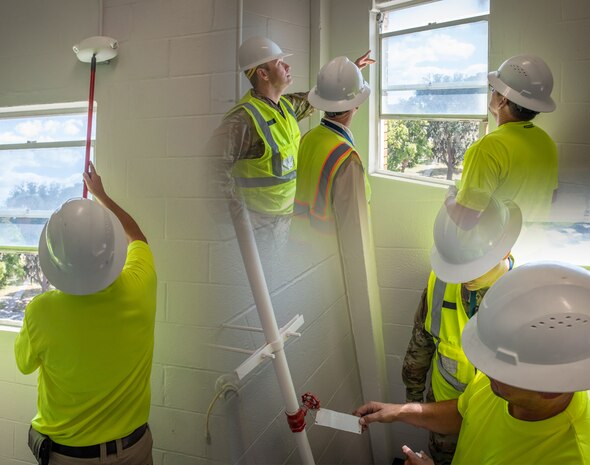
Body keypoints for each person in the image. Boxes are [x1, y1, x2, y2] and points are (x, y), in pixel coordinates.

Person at [355, 261, 590, 465]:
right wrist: (400, 411)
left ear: (550, 388)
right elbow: (463, 412)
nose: (485, 371)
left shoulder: (570, 456)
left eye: (500, 369)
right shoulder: (496, 387)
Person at [14, 162, 157, 465]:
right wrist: (101, 195)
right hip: (136, 450)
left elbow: (24, 364)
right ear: (112, 250)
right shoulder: (140, 285)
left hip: (70, 458)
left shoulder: (40, 312)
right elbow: (138, 237)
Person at [208, 36, 374, 244]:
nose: (287, 65)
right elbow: (209, 170)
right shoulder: (242, 120)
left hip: (288, 220)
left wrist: (351, 74)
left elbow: (322, 98)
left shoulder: (286, 106)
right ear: (263, 74)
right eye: (279, 63)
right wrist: (240, 218)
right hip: (259, 227)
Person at [403, 197, 521, 464]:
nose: (464, 276)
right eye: (458, 265)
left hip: (494, 417)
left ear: (505, 250)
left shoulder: (523, 295)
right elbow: (421, 342)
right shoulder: (440, 282)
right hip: (444, 408)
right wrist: (414, 401)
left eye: (473, 265)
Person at [445, 55, 558, 228]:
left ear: (503, 100)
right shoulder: (546, 141)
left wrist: (449, 198)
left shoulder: (487, 148)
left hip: (499, 252)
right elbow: (552, 196)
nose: (491, 92)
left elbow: (465, 220)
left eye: (493, 89)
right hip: (537, 247)